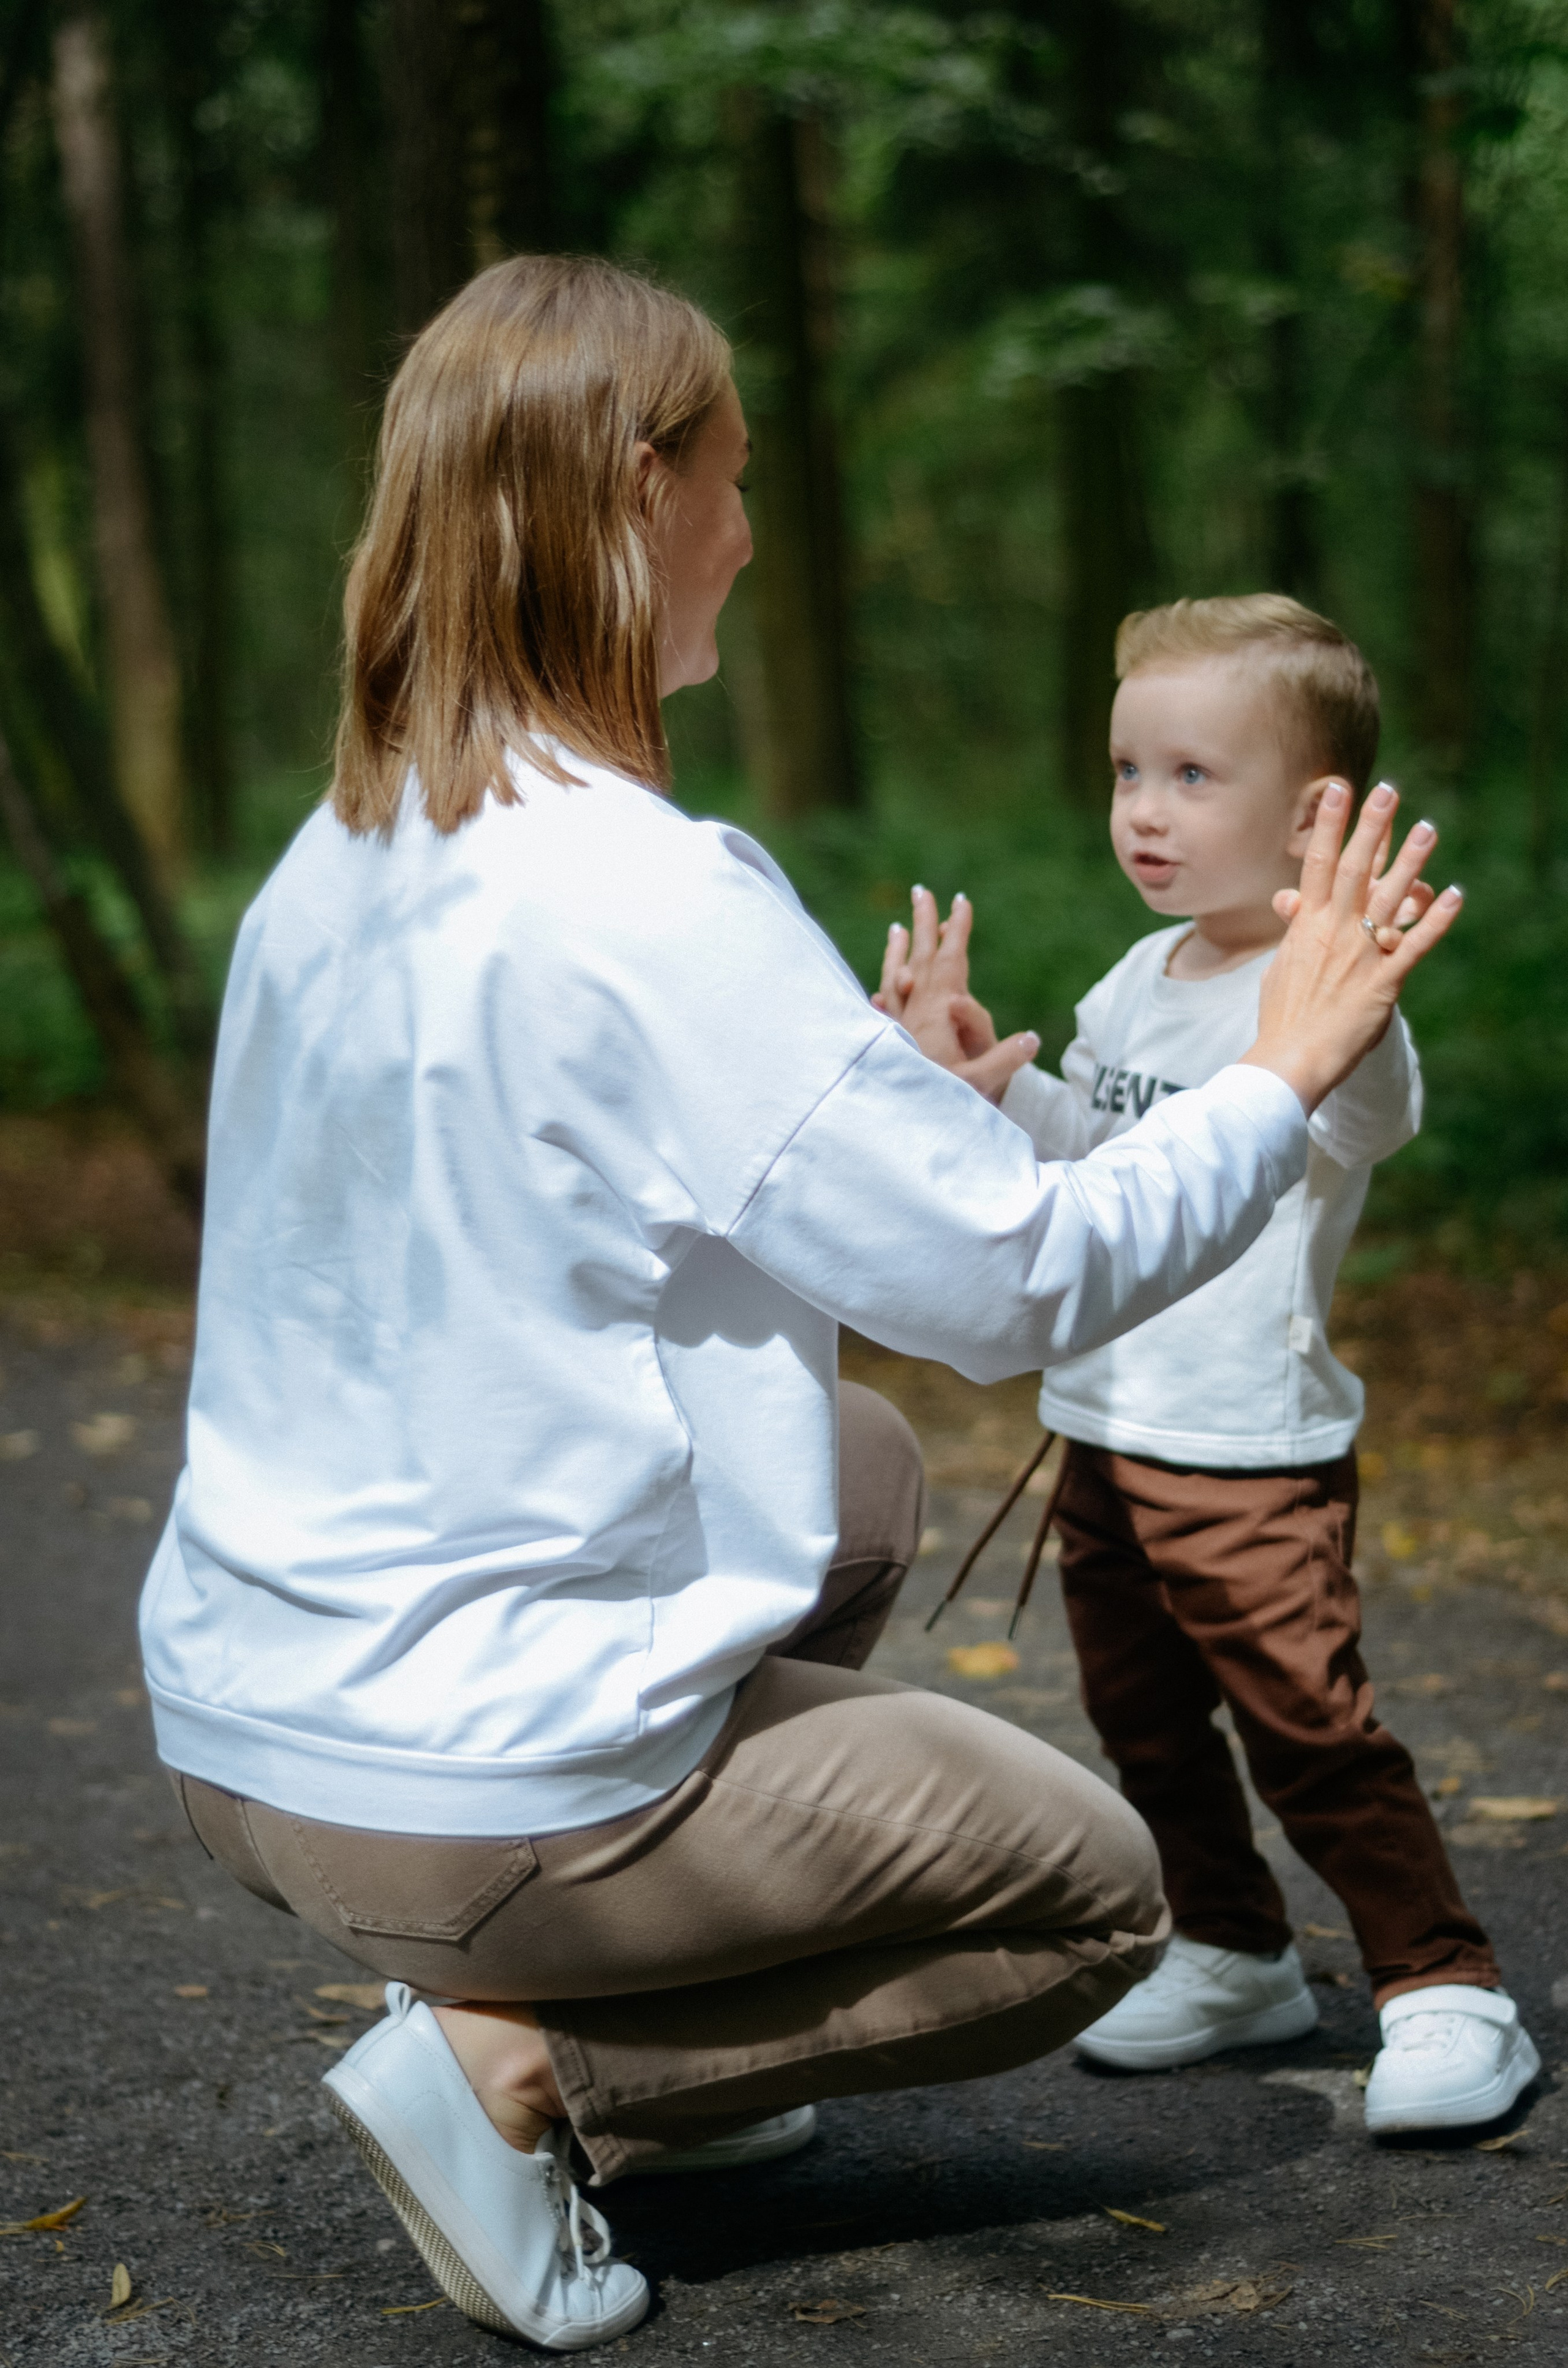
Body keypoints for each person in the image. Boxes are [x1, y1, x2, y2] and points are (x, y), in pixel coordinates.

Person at [139, 263, 1458, 2353]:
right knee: (1095, 1891)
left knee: (851, 1469)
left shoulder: (348, 846)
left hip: (246, 1718)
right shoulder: (653, 890)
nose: (750, 531)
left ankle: (590, 1982)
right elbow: (1026, 1284)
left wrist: (896, 1114)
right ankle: (527, 2059)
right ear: (638, 490)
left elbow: (581, 1218)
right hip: (460, 1774)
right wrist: (1280, 1069)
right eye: (734, 479)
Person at [880, 595, 1536, 2139]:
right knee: (1142, 1717)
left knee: (1307, 1725)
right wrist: (993, 1088)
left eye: (1190, 775)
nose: (1143, 810)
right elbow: (1104, 1161)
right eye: (1127, 770)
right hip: (1103, 1430)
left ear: (1313, 816)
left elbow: (1359, 1112)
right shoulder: (1138, 974)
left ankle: (1440, 1980)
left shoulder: (1316, 992)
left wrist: (1346, 975)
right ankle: (1233, 1947)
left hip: (1244, 1450)